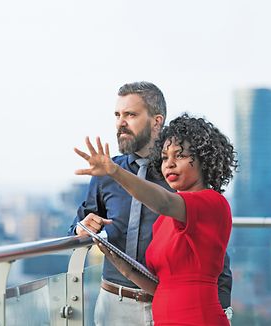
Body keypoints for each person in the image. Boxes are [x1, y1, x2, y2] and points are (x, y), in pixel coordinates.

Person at [68, 82, 232, 325]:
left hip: (187, 313)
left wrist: (224, 305)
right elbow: (79, 226)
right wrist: (88, 234)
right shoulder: (107, 176)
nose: (120, 122)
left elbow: (166, 204)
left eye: (130, 114)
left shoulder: (188, 192)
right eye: (117, 115)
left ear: (157, 121)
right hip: (120, 304)